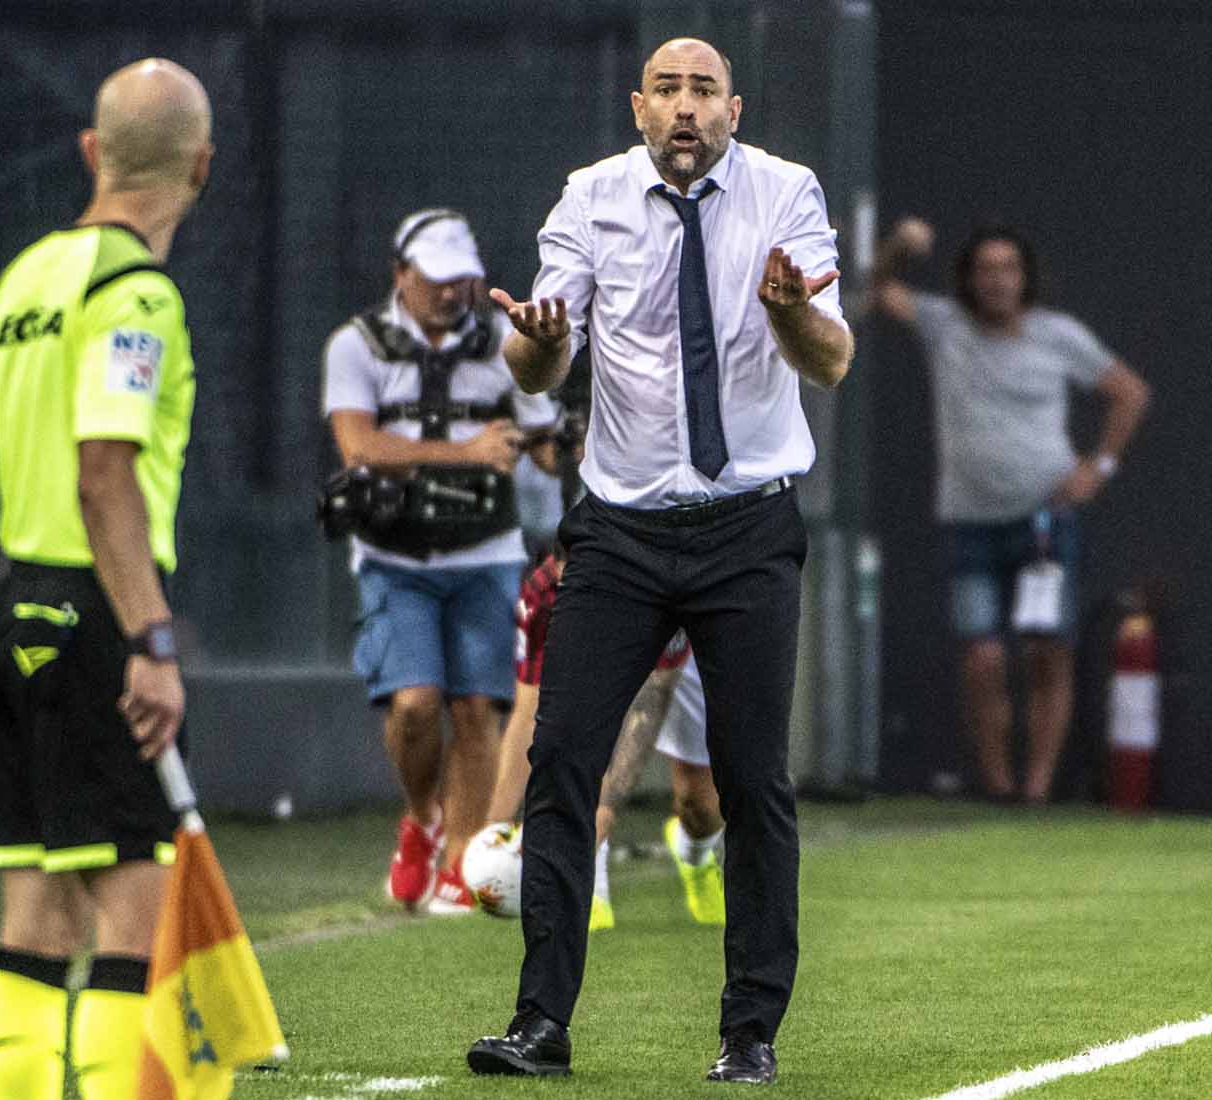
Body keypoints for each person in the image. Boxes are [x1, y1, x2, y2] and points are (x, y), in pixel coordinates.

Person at [468, 37, 851, 1085]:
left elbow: (832, 360)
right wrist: (540, 339)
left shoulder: (787, 193)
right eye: (668, 90)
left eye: (705, 90)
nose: (687, 107)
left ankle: (749, 1032)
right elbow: (537, 364)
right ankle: (539, 1023)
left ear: (735, 109)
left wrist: (792, 313)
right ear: (639, 107)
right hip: (622, 530)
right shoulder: (589, 197)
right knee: (561, 760)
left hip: (747, 526)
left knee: (751, 778)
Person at [0, 58, 211, 1100]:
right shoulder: (136, 294)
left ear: (92, 152)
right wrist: (150, 640)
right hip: (96, 618)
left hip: (12, 610)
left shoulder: (16, 282)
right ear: (202, 166)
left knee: (36, 915)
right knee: (130, 917)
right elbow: (106, 473)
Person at [322, 208, 557, 916]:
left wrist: (563, 433)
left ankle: (462, 861)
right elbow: (358, 446)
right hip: (395, 556)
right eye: (436, 279)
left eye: (462, 280)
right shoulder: (355, 346)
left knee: (477, 708)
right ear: (402, 274)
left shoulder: (502, 348)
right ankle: (422, 816)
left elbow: (544, 441)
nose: (451, 293)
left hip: (486, 553)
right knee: (415, 705)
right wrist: (466, 452)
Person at [871, 217, 1151, 804]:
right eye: (986, 270)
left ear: (1026, 277)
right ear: (969, 279)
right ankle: (999, 784)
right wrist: (899, 248)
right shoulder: (945, 325)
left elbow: (1129, 391)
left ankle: (1037, 787)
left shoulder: (1058, 335)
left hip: (1045, 518)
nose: (997, 281)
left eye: (1008, 269)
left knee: (1048, 650)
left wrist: (1098, 468)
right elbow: (878, 289)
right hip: (971, 519)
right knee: (983, 654)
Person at [491, 549, 726, 933]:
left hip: (683, 653)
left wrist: (604, 811)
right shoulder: (544, 593)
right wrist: (494, 829)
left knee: (701, 804)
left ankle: (694, 854)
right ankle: (590, 887)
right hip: (608, 651)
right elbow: (528, 711)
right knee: (576, 730)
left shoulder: (662, 584)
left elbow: (648, 703)